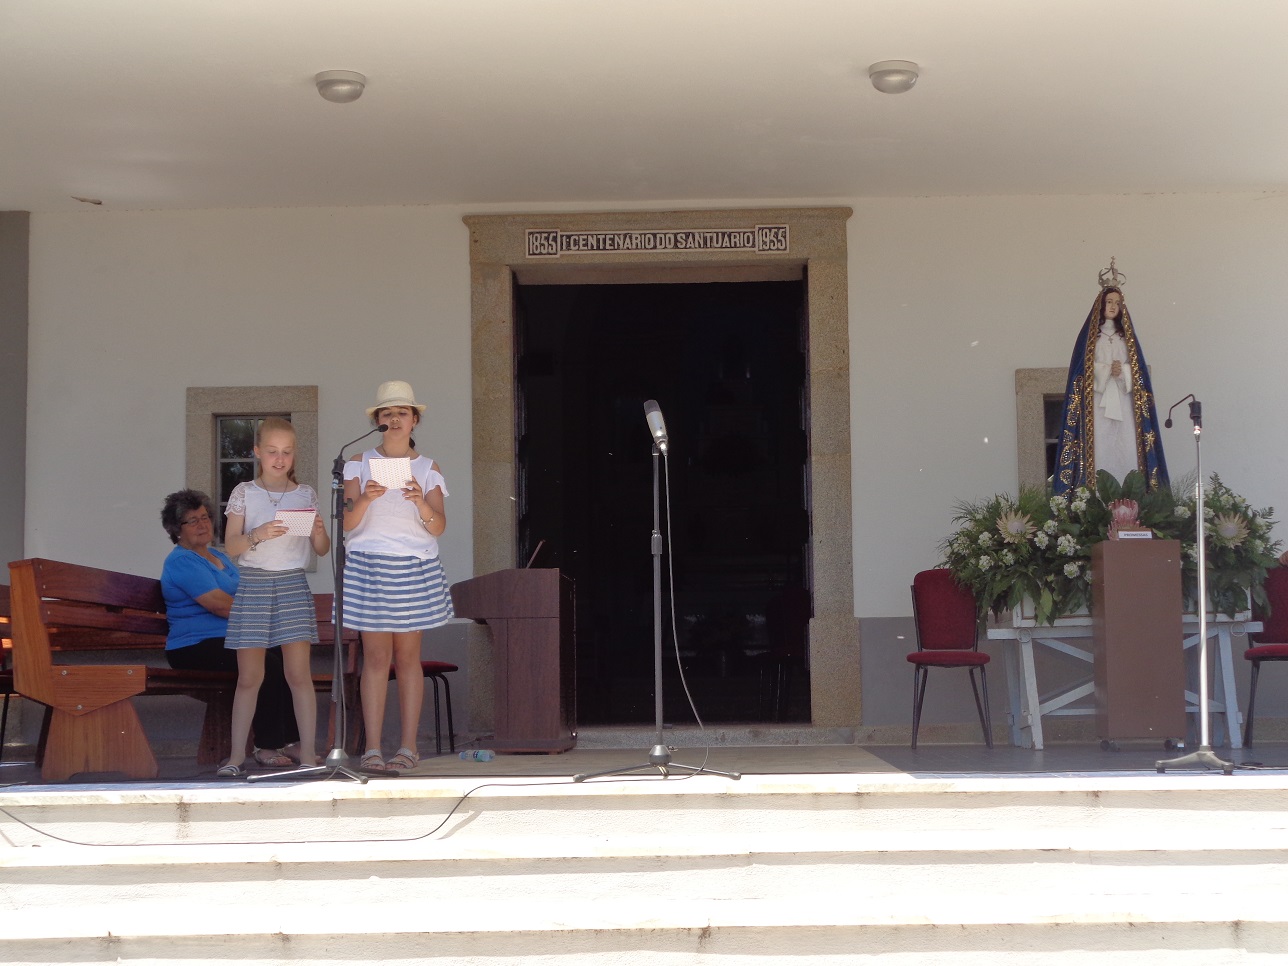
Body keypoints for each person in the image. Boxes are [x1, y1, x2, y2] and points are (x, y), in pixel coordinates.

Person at [342, 380, 453, 773]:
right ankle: (372, 749)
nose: (394, 418)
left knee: (408, 659)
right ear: (377, 421)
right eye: (386, 413)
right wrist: (366, 497)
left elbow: (438, 527)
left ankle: (408, 748)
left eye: (402, 412)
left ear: (414, 420)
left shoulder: (427, 467)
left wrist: (420, 501)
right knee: (376, 658)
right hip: (370, 563)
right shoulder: (357, 462)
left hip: (413, 563)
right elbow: (347, 523)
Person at [218, 418, 332, 778]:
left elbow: (322, 549)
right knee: (249, 677)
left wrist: (318, 531)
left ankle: (308, 754)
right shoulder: (244, 492)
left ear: (294, 454)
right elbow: (230, 546)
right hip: (253, 583)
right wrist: (258, 534)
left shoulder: (305, 494)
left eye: (286, 452)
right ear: (257, 452)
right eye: (271, 451)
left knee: (298, 675)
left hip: (292, 583)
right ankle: (236, 757)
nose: (279, 459)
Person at [159, 489, 301, 767]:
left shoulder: (218, 556)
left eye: (205, 517)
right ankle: (266, 747)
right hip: (194, 647)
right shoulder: (181, 561)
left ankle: (291, 742)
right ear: (176, 529)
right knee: (266, 663)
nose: (202, 525)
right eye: (192, 520)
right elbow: (219, 605)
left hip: (229, 640)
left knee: (283, 656)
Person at [1052, 263, 1168, 495]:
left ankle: (1132, 498)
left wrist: (1123, 371)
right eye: (1109, 302)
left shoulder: (1127, 340)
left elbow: (1139, 374)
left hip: (1125, 402)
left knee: (1127, 445)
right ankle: (1096, 498)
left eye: (1117, 302)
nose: (1113, 306)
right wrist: (1105, 370)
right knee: (1100, 444)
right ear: (1101, 305)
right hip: (1098, 403)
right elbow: (1080, 371)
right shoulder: (1091, 339)